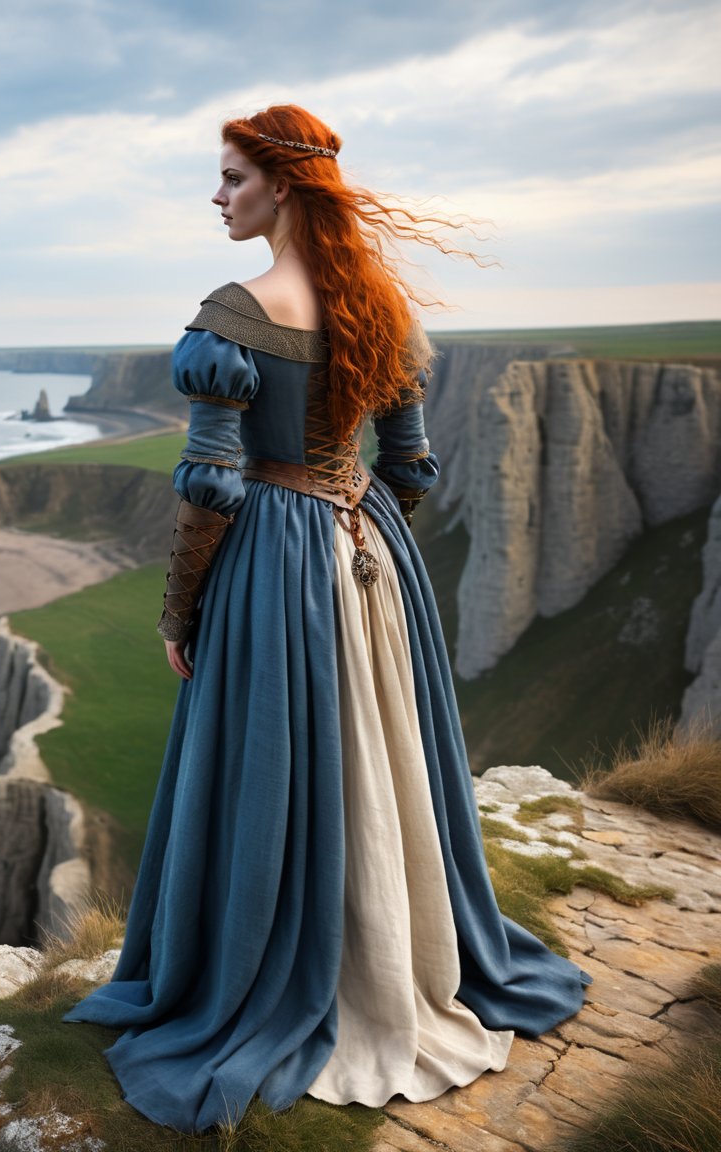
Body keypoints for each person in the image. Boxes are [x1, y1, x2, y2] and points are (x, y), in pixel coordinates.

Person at [60, 105, 591, 1133]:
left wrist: (182, 607)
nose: (216, 198)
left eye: (231, 180)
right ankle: (394, 947)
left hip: (275, 558)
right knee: (383, 754)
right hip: (370, 554)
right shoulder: (381, 308)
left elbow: (211, 485)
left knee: (276, 762)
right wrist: (357, 523)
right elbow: (411, 468)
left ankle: (273, 968)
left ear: (284, 188)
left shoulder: (231, 314)